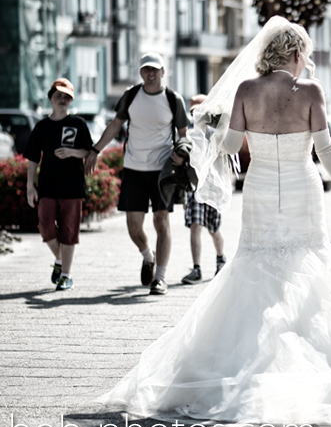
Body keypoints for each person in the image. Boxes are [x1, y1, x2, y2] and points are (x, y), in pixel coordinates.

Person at [97, 17, 331, 425]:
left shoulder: (246, 90)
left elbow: (230, 145)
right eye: (306, 56)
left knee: (255, 264)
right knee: (310, 263)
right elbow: (326, 150)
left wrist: (214, 126)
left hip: (261, 188)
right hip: (303, 187)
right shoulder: (311, 92)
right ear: (296, 53)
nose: (307, 63)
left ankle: (241, 363)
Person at [85, 52, 189, 296]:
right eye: (146, 70)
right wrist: (96, 150)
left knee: (161, 221)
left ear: (163, 72)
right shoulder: (131, 96)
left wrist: (181, 153)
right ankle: (147, 255)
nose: (150, 74)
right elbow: (114, 125)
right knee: (133, 226)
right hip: (134, 168)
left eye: (155, 69)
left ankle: (160, 278)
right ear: (141, 72)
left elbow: (184, 134)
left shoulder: (174, 99)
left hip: (162, 170)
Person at [24, 78, 94, 291]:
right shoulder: (42, 126)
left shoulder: (78, 124)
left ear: (71, 100)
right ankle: (61, 260)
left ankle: (65, 275)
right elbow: (33, 158)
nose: (62, 100)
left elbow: (89, 151)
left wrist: (73, 152)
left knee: (69, 231)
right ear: (50, 99)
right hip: (47, 186)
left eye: (66, 97)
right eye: (58, 96)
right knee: (45, 226)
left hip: (72, 187)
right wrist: (30, 185)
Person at [180, 95, 227, 285]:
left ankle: (221, 258)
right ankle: (197, 268)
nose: (198, 115)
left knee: (214, 229)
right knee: (195, 226)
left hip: (213, 189)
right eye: (195, 112)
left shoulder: (216, 134)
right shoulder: (190, 135)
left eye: (201, 111)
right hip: (195, 187)